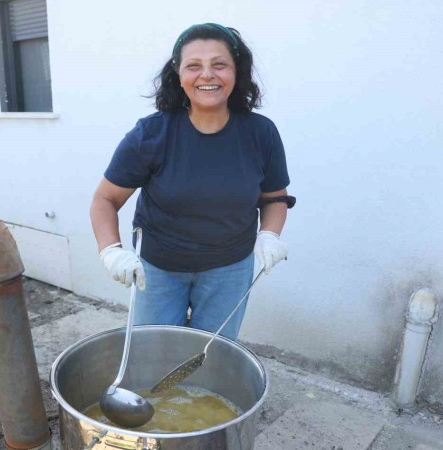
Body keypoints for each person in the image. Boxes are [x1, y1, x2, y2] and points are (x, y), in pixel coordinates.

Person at [89, 23, 294, 340]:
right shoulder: (151, 134)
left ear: (236, 72)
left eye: (219, 64)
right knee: (155, 352)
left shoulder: (261, 133)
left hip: (230, 269)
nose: (207, 75)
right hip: (159, 269)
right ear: (178, 75)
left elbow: (274, 198)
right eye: (194, 66)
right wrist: (110, 251)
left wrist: (269, 234)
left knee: (210, 355)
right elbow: (105, 200)